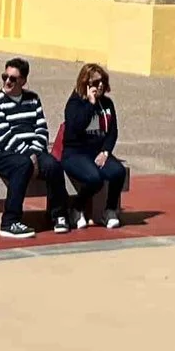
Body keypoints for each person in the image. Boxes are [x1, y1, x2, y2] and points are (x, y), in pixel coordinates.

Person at [0, 57, 68, 236]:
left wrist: (35, 152)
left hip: (31, 151)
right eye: (5, 76)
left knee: (53, 165)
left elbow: (41, 129)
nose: (7, 81)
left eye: (13, 78)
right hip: (0, 154)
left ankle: (58, 215)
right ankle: (10, 222)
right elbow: (4, 138)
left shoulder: (33, 99)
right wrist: (29, 155)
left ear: (23, 81)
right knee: (23, 165)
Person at [61, 62, 130, 228]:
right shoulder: (74, 104)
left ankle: (110, 210)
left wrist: (105, 152)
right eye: (95, 82)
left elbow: (112, 132)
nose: (99, 86)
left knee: (118, 172)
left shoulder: (107, 104)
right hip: (75, 153)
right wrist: (90, 105)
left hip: (97, 152)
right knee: (94, 179)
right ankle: (76, 208)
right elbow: (75, 128)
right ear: (85, 83)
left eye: (102, 82)